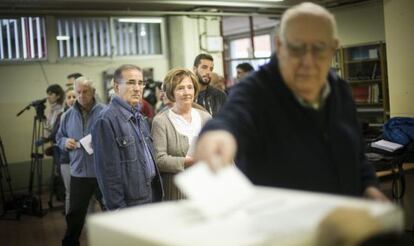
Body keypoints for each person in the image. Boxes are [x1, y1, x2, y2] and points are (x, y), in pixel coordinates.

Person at [194, 2, 387, 201]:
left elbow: (356, 156)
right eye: (297, 49)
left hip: (344, 223)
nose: (308, 62)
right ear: (279, 45)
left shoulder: (340, 90)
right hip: (282, 228)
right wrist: (217, 134)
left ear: (333, 48)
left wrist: (369, 186)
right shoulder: (257, 89)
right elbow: (233, 117)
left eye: (319, 49)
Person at [92, 64, 163, 211]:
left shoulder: (140, 118)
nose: (138, 88)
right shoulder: (106, 121)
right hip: (130, 206)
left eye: (140, 83)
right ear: (117, 87)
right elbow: (108, 175)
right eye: (131, 83)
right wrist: (118, 210)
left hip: (151, 197)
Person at [56, 76, 105, 246]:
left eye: (86, 92)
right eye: (78, 92)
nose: (82, 96)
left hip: (102, 173)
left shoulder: (105, 113)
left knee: (111, 210)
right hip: (79, 173)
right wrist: (65, 142)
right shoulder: (67, 116)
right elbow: (59, 137)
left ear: (93, 93)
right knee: (74, 215)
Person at [152, 68, 211, 200]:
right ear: (171, 92)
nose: (186, 92)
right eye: (180, 88)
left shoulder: (205, 117)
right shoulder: (161, 121)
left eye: (190, 87)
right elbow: (159, 160)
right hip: (177, 192)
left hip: (206, 188)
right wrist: (187, 161)